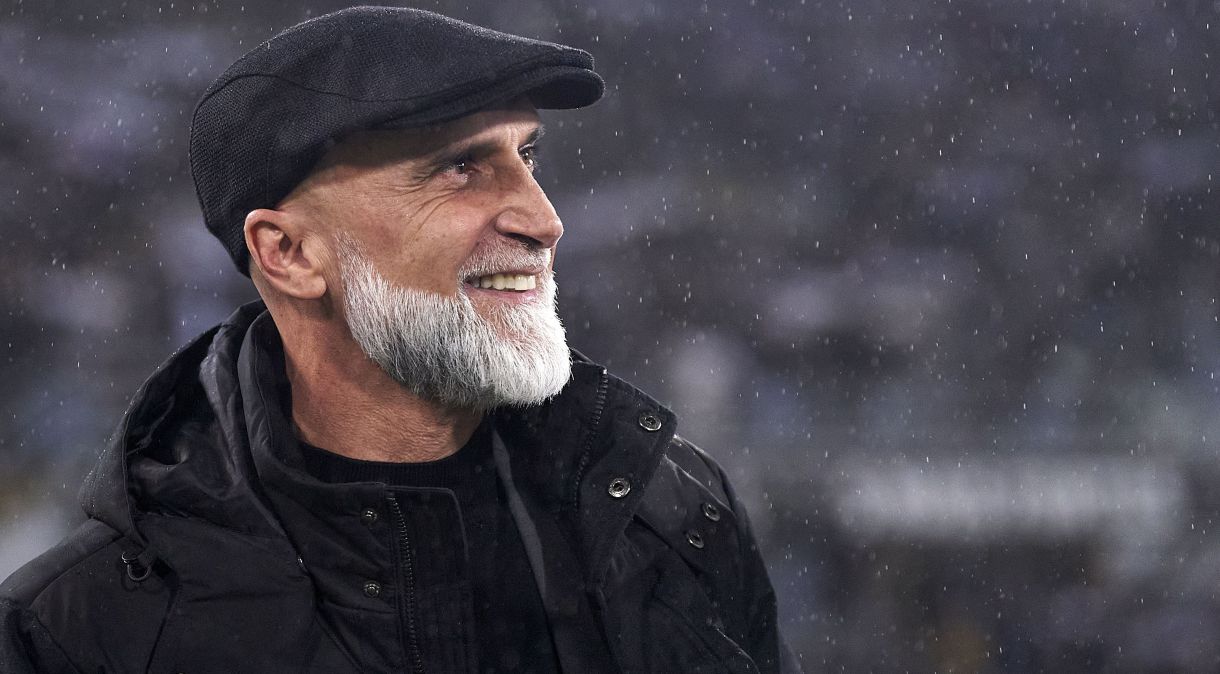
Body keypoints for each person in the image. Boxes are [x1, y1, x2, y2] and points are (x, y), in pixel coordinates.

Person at [0, 6, 798, 673]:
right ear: (289, 253)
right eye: (458, 167)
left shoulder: (672, 509)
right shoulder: (78, 629)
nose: (545, 219)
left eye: (526, 157)